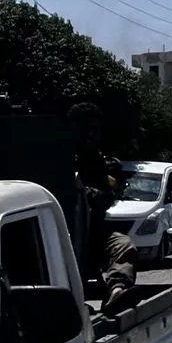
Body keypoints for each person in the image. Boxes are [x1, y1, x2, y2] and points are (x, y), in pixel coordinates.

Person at [67, 102, 137, 314]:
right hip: (65, 233)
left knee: (123, 245)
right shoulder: (62, 158)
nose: (91, 135)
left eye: (95, 130)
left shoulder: (98, 161)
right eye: (85, 130)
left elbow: (106, 196)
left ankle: (116, 290)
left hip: (94, 232)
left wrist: (110, 185)